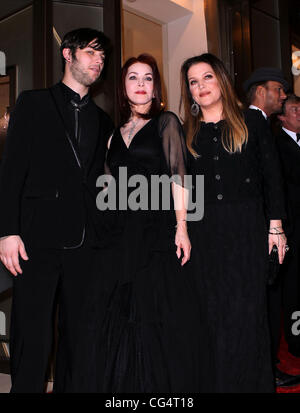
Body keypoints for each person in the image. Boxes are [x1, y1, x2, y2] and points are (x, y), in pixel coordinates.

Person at [72, 54, 201, 393]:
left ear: (155, 86)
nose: (141, 84)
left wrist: (182, 227)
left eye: (147, 78)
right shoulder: (114, 135)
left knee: (153, 314)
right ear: (123, 86)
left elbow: (179, 178)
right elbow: (107, 187)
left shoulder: (166, 122)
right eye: (133, 77)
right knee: (116, 315)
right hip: (117, 234)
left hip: (155, 231)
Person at [0, 28, 113, 392]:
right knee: (32, 335)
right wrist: (7, 231)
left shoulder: (103, 119)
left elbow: (100, 184)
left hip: (86, 246)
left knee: (79, 338)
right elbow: (11, 172)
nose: (99, 61)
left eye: (102, 56)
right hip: (35, 239)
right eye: (91, 52)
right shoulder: (32, 103)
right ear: (67, 54)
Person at [180, 53, 287, 392]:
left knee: (247, 317)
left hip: (246, 230)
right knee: (211, 318)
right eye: (194, 82)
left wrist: (276, 228)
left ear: (221, 80)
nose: (201, 87)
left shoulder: (251, 122)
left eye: (207, 77)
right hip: (204, 233)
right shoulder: (187, 134)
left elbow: (273, 177)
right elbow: (179, 187)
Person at [243, 68, 300, 387]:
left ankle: (268, 364)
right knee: (264, 302)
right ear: (260, 92)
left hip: (268, 230)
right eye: (278, 90)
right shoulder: (251, 124)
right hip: (259, 232)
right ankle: (263, 367)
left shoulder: (259, 124)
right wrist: (271, 229)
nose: (282, 95)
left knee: (272, 300)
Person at [276, 94, 300, 358]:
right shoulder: (277, 145)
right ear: (282, 117)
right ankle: (296, 339)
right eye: (294, 109)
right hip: (292, 229)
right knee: (294, 289)